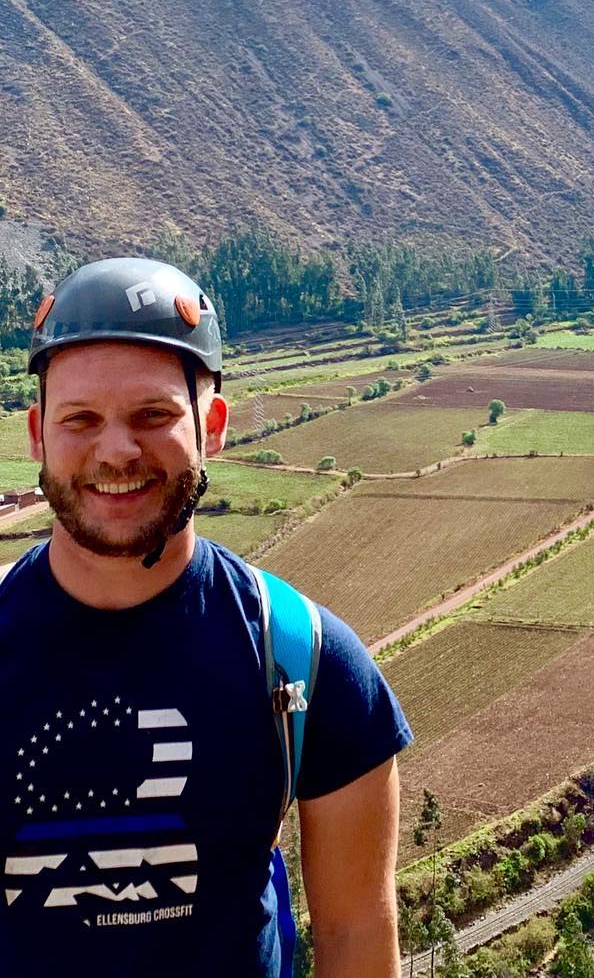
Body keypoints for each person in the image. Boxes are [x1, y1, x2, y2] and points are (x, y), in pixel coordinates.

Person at [0, 258, 413, 976]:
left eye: (153, 415)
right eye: (81, 420)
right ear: (39, 435)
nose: (117, 449)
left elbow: (356, 935)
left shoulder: (307, 661)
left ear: (212, 424)